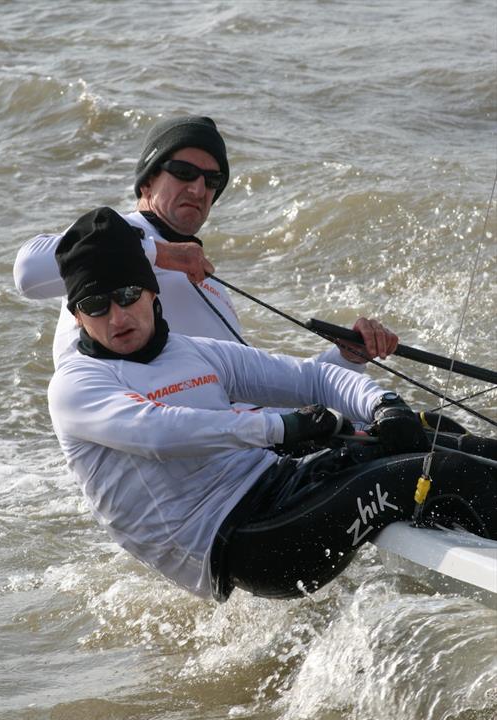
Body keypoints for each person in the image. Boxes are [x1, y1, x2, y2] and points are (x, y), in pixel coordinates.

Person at [47, 207, 497, 602]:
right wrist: (284, 428)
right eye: (96, 304)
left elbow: (311, 377)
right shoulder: (76, 385)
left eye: (127, 295)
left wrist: (385, 404)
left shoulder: (193, 352)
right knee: (433, 472)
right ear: (76, 314)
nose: (117, 316)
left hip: (282, 485)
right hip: (247, 544)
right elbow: (160, 432)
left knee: (432, 430)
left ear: (152, 293)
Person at [14, 114, 398, 369]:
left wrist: (348, 355)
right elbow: (28, 273)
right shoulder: (110, 236)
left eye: (212, 182)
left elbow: (255, 387)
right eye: (183, 172)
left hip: (231, 450)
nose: (198, 189)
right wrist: (158, 252)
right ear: (147, 181)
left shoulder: (210, 286)